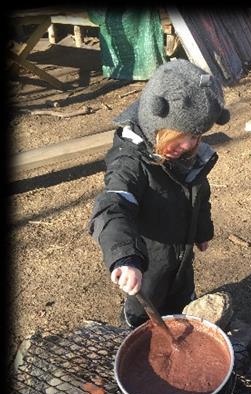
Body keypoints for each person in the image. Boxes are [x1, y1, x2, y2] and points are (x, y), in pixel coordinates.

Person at [88, 59, 230, 330]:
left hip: (182, 255)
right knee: (147, 309)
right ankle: (135, 325)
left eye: (197, 135)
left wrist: (202, 230)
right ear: (157, 122)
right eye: (182, 135)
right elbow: (113, 206)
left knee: (181, 298)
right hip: (147, 263)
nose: (189, 144)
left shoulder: (186, 155)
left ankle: (180, 315)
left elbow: (200, 192)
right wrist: (125, 258)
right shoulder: (130, 162)